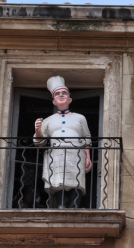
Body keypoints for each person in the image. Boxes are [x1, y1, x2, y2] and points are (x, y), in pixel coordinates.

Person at [34, 75, 92, 208]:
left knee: (76, 182)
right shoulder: (48, 120)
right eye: (57, 94)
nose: (61, 95)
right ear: (54, 101)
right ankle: (61, 207)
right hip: (56, 155)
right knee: (59, 183)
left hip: (76, 155)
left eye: (64, 93)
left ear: (70, 99)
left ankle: (74, 207)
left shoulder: (80, 118)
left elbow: (86, 139)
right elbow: (39, 142)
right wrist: (38, 130)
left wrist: (88, 157)